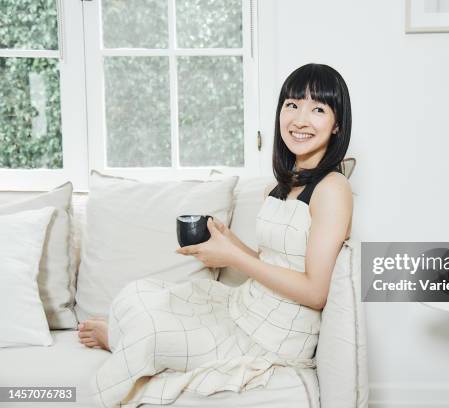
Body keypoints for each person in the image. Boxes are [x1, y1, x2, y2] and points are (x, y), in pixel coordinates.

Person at [77, 63, 353, 406]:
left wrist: (232, 257)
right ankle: (127, 339)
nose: (299, 119)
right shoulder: (283, 185)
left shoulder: (333, 189)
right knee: (139, 294)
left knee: (147, 331)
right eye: (292, 105)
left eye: (318, 109)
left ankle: (120, 340)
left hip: (273, 336)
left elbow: (315, 291)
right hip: (246, 309)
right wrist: (228, 241)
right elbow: (274, 263)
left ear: (337, 124)